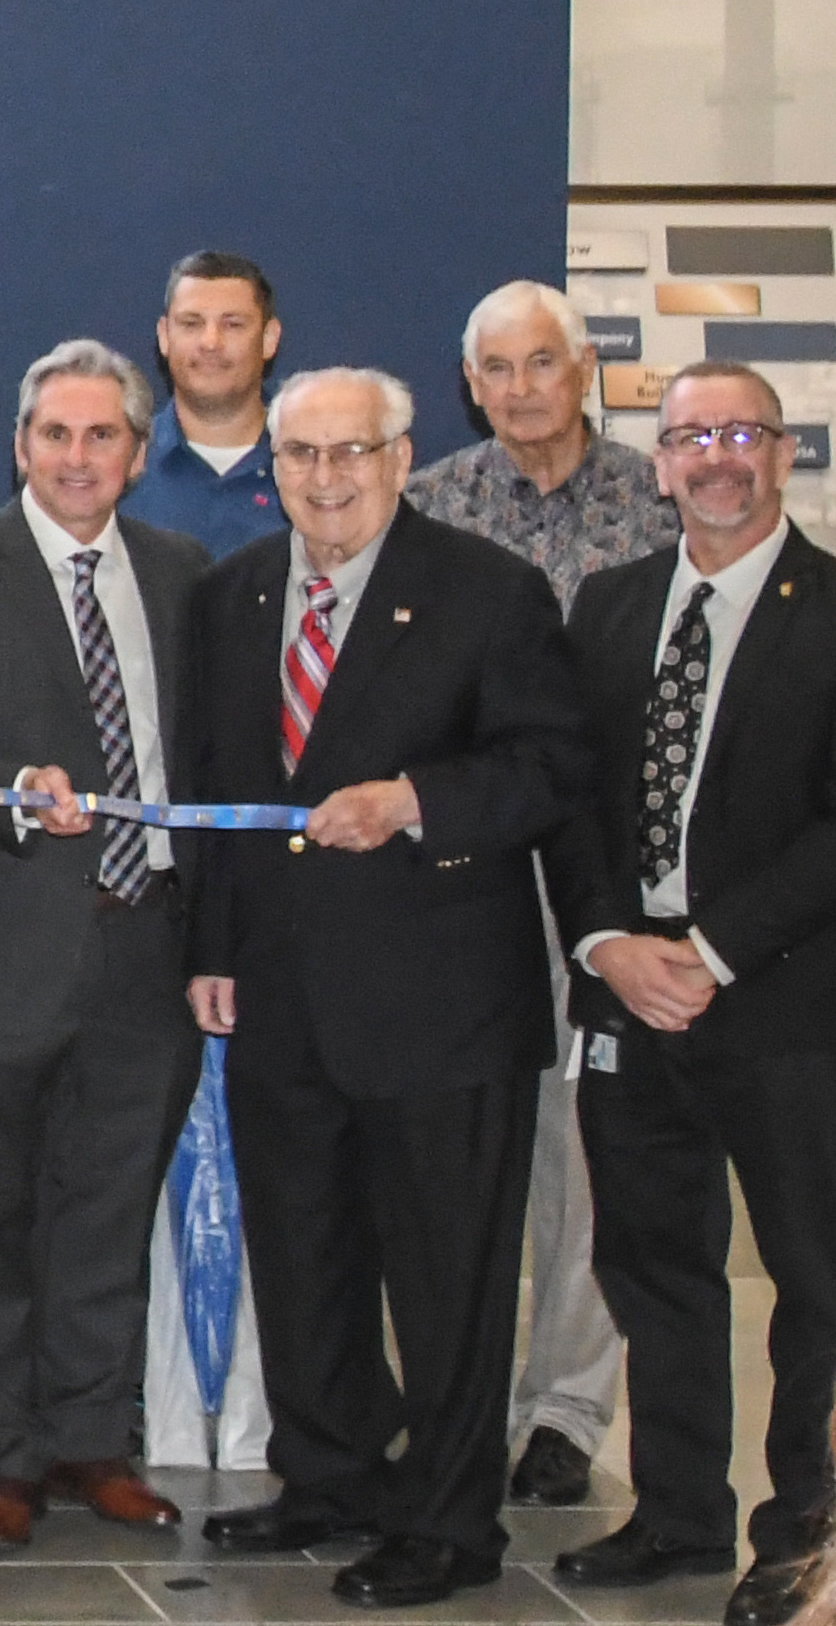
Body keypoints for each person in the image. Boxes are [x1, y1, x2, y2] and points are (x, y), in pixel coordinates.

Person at [180, 370, 584, 1610]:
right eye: (298, 456)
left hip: (441, 1002)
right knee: (302, 1258)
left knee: (448, 1280)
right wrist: (209, 947)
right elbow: (212, 786)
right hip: (279, 996)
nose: (323, 477)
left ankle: (453, 1526)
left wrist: (415, 806)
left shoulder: (488, 594)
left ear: (403, 457)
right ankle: (329, 1477)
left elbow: (551, 770)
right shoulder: (233, 596)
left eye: (348, 452)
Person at [0, 341, 216, 1550]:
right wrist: (17, 787)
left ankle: (90, 1440)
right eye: (55, 434)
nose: (77, 457)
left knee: (106, 1205)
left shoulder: (184, 575)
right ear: (20, 445)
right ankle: (3, 1456)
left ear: (135, 454)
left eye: (101, 437)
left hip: (146, 948)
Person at [540, 364, 836, 1626]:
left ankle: (802, 1536)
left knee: (813, 1284)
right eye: (687, 438)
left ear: (780, 455)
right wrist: (606, 940)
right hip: (626, 991)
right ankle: (673, 1515)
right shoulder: (606, 608)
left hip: (780, 1002)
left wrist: (707, 953)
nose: (714, 457)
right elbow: (569, 794)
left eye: (739, 435)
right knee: (656, 1267)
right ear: (653, 464)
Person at [420, 282, 684, 1516]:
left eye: (543, 363)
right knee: (471, 1142)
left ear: (585, 370)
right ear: (469, 383)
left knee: (586, 1150)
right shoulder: (432, 505)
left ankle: (567, 1410)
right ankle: (454, 1395)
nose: (521, 388)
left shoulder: (657, 498)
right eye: (498, 369)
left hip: (612, 869)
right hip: (467, 869)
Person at [135, 251, 292, 556]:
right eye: (191, 324)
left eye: (232, 325)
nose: (210, 342)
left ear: (269, 338)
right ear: (164, 336)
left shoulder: (315, 470)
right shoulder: (120, 469)